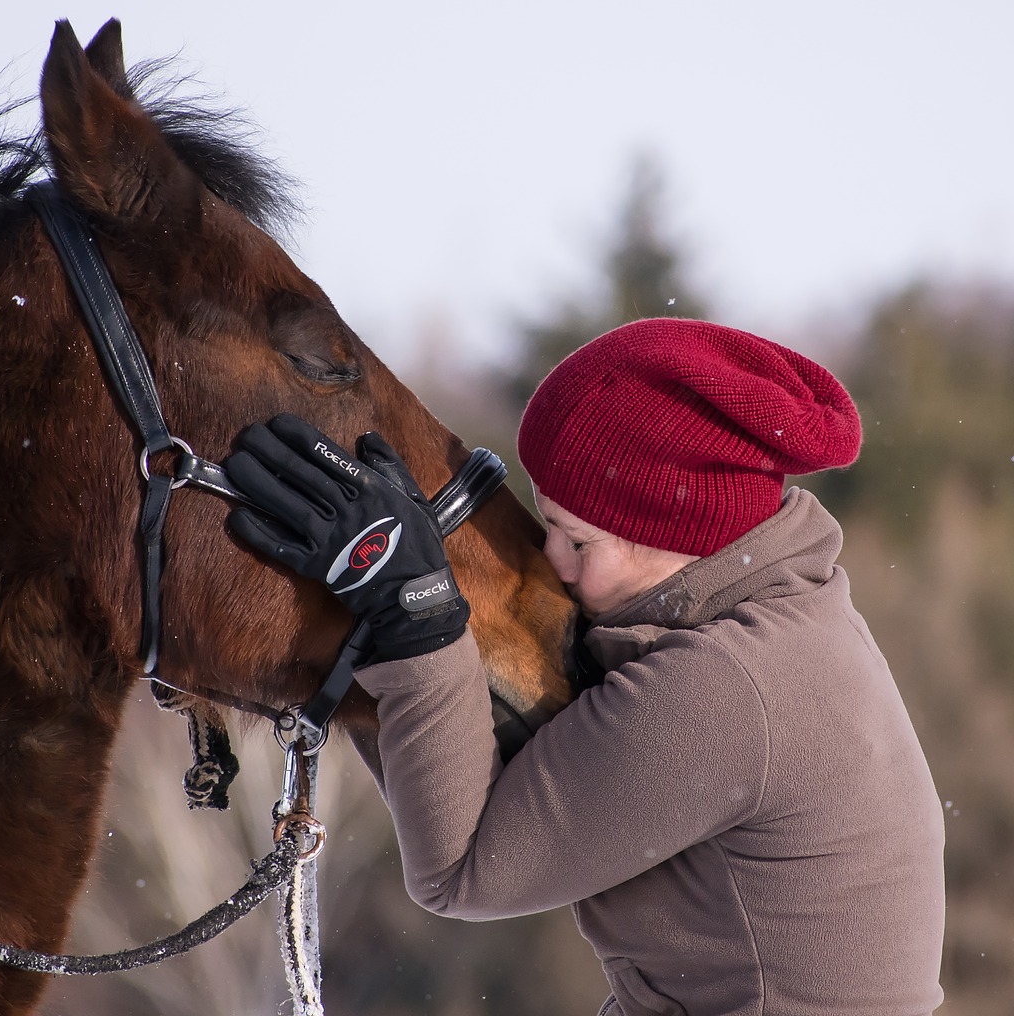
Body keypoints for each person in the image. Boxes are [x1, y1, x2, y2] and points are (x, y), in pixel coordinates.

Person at [225, 318, 946, 1016]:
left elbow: (463, 871)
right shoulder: (788, 620)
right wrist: (396, 606)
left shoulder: (729, 687)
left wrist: (413, 616)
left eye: (578, 540)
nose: (553, 562)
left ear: (675, 533)